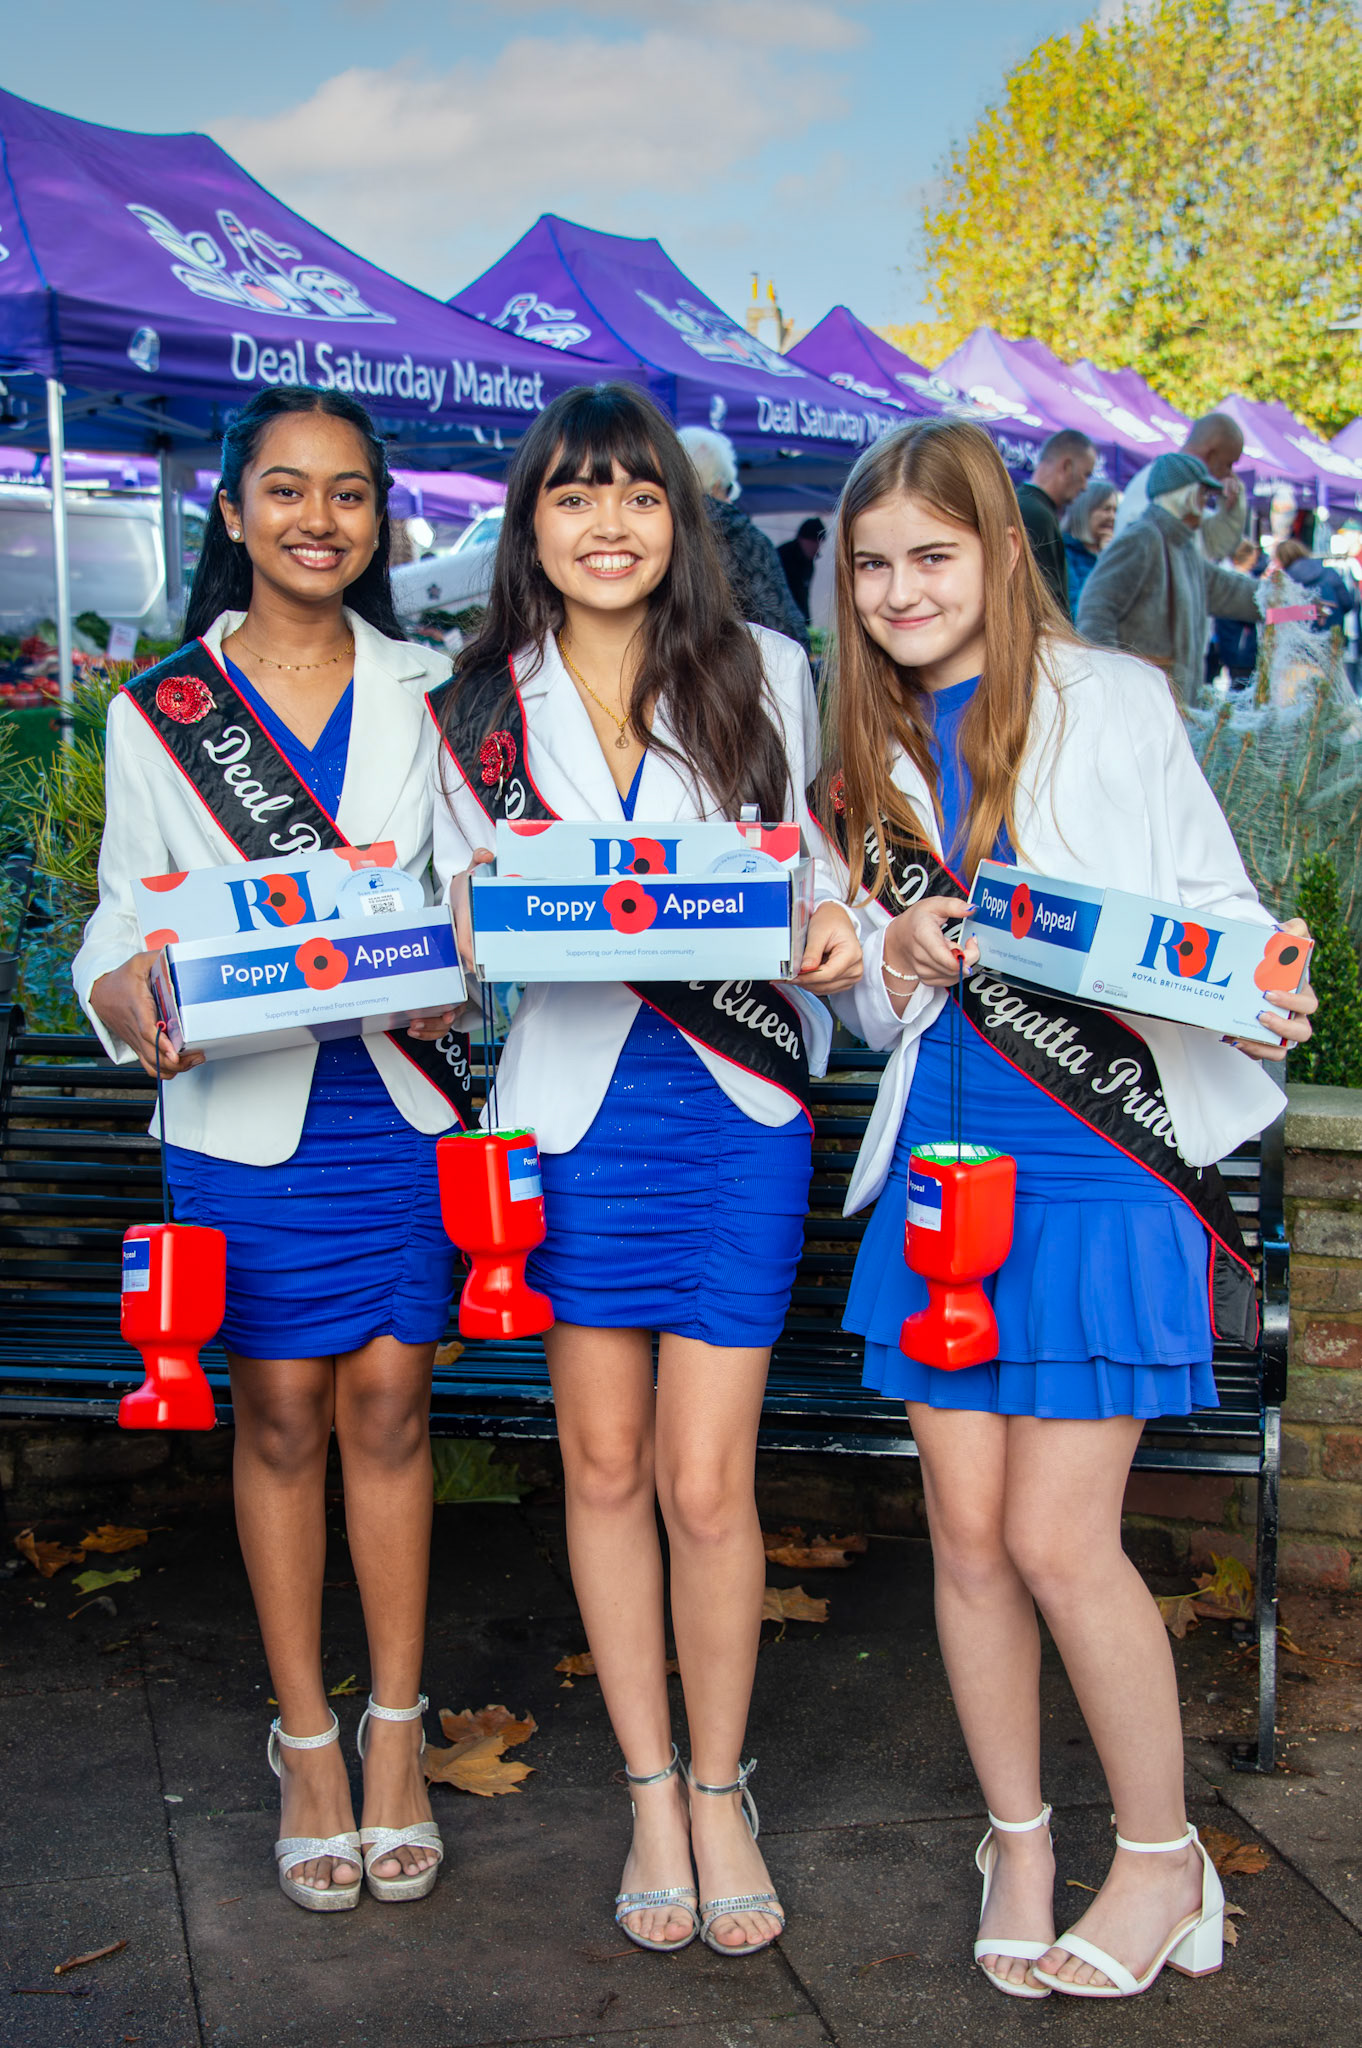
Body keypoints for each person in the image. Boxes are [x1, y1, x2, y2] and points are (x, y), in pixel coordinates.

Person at [821, 417, 1315, 2003]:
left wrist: (1263, 984)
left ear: (1002, 551)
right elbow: (868, 1002)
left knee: (1053, 1533)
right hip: (948, 1167)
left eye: (932, 556)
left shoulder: (1120, 701)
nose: (902, 590)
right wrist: (888, 965)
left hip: (1099, 1161)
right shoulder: (863, 744)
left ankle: (1163, 1858)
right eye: (874, 564)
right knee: (964, 1534)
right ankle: (1017, 1837)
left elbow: (1218, 904)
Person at [431, 383, 861, 1959]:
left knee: (702, 1481)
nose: (607, 522)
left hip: (733, 1105)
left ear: (678, 520)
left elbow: (816, 887)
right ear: (528, 526)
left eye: (638, 494)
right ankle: (646, 1790)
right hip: (568, 1117)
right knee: (603, 1471)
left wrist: (830, 938)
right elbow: (428, 928)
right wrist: (459, 931)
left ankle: (725, 1783)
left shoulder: (768, 674)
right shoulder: (474, 704)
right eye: (572, 496)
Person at [74, 387, 465, 1914]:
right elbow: (124, 905)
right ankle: (305, 1736)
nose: (319, 519)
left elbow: (477, 888)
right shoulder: (157, 709)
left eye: (350, 494)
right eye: (285, 490)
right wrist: (115, 983)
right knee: (284, 1411)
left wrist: (467, 954)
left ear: (380, 520)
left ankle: (394, 1735)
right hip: (244, 1108)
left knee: (388, 1404)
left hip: (392, 1098)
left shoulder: (433, 687)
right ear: (231, 513)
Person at [1077, 449, 1259, 702]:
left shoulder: (1182, 547)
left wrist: (1286, 601)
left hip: (1172, 708)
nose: (1205, 502)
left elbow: (1227, 590)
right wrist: (1115, 685)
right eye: (1202, 493)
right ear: (1186, 495)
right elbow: (1095, 612)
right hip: (1141, 708)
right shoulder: (1143, 539)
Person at [677, 424, 811, 649]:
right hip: (735, 676)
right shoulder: (741, 535)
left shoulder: (655, 531)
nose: (730, 500)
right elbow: (788, 635)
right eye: (729, 490)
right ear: (716, 485)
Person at [1114, 412, 1247, 563]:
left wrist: (1232, 501)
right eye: (1228, 464)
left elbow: (1216, 545)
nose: (1230, 474)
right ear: (1210, 455)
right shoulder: (1159, 484)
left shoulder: (1185, 488)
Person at [1013, 429, 1097, 615]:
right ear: (1066, 466)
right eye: (1086, 475)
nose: (1085, 487)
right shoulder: (1035, 514)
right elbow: (1046, 603)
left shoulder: (1024, 504)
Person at [1060, 479, 1119, 618]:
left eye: (1115, 510)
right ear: (1085, 510)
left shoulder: (1110, 552)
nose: (1112, 516)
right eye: (1106, 509)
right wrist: (1105, 560)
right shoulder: (1065, 551)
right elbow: (1077, 610)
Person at [1275, 536, 1356, 636]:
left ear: (1280, 559)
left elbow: (1277, 616)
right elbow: (1347, 604)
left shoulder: (1282, 582)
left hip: (1299, 641)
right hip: (1333, 637)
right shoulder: (1329, 572)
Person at [1210, 538, 1263, 688]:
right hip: (1240, 648)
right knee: (1240, 687)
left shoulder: (1226, 579)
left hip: (1232, 647)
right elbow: (1251, 613)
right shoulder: (1238, 583)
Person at [777, 517, 827, 624]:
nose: (817, 547)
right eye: (814, 541)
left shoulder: (808, 564)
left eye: (820, 542)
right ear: (802, 538)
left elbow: (804, 597)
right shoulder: (782, 556)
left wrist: (807, 623)